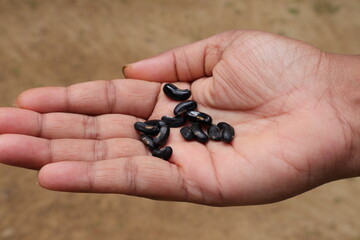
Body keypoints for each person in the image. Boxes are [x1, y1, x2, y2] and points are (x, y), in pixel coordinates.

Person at [0, 30, 359, 206]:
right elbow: (175, 123)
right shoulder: (177, 123)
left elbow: (185, 121)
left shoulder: (190, 122)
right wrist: (337, 102)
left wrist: (335, 100)